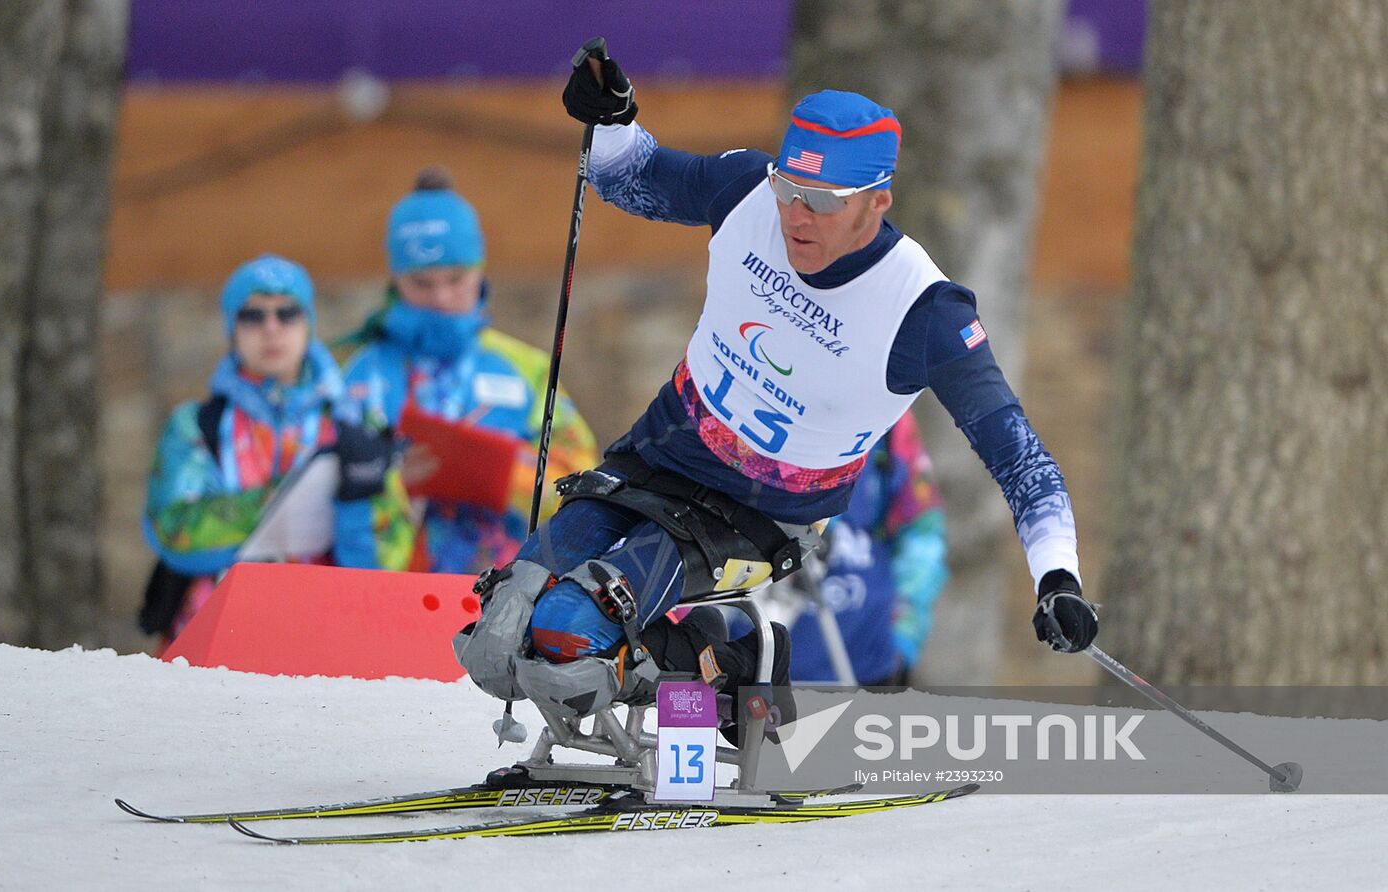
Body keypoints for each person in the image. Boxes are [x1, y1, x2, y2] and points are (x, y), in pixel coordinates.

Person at [456, 46, 1098, 733]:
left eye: (823, 201)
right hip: (656, 458)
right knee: (503, 626)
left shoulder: (925, 312)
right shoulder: (747, 193)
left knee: (568, 637)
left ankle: (739, 659)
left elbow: (1022, 461)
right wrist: (612, 119)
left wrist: (1058, 577)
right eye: (790, 189)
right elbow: (630, 176)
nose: (796, 215)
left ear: (878, 202)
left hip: (757, 519)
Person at [140, 255, 413, 648]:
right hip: (214, 635)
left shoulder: (357, 425)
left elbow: (388, 564)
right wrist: (282, 500)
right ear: (232, 329)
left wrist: (354, 507)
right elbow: (173, 528)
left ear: (308, 326)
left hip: (327, 637)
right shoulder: (196, 425)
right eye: (253, 316)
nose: (272, 328)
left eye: (288, 313)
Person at [341, 168, 599, 575]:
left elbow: (585, 487)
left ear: (480, 269)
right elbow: (326, 500)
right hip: (398, 594)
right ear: (396, 279)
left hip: (509, 595)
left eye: (456, 279)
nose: (441, 297)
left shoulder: (526, 369)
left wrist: (505, 475)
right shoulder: (362, 378)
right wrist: (395, 483)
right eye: (422, 284)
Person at [753, 410, 948, 686]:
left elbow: (922, 532)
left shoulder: (890, 419)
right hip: (759, 658)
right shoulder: (760, 399)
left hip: (866, 662)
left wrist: (904, 635)